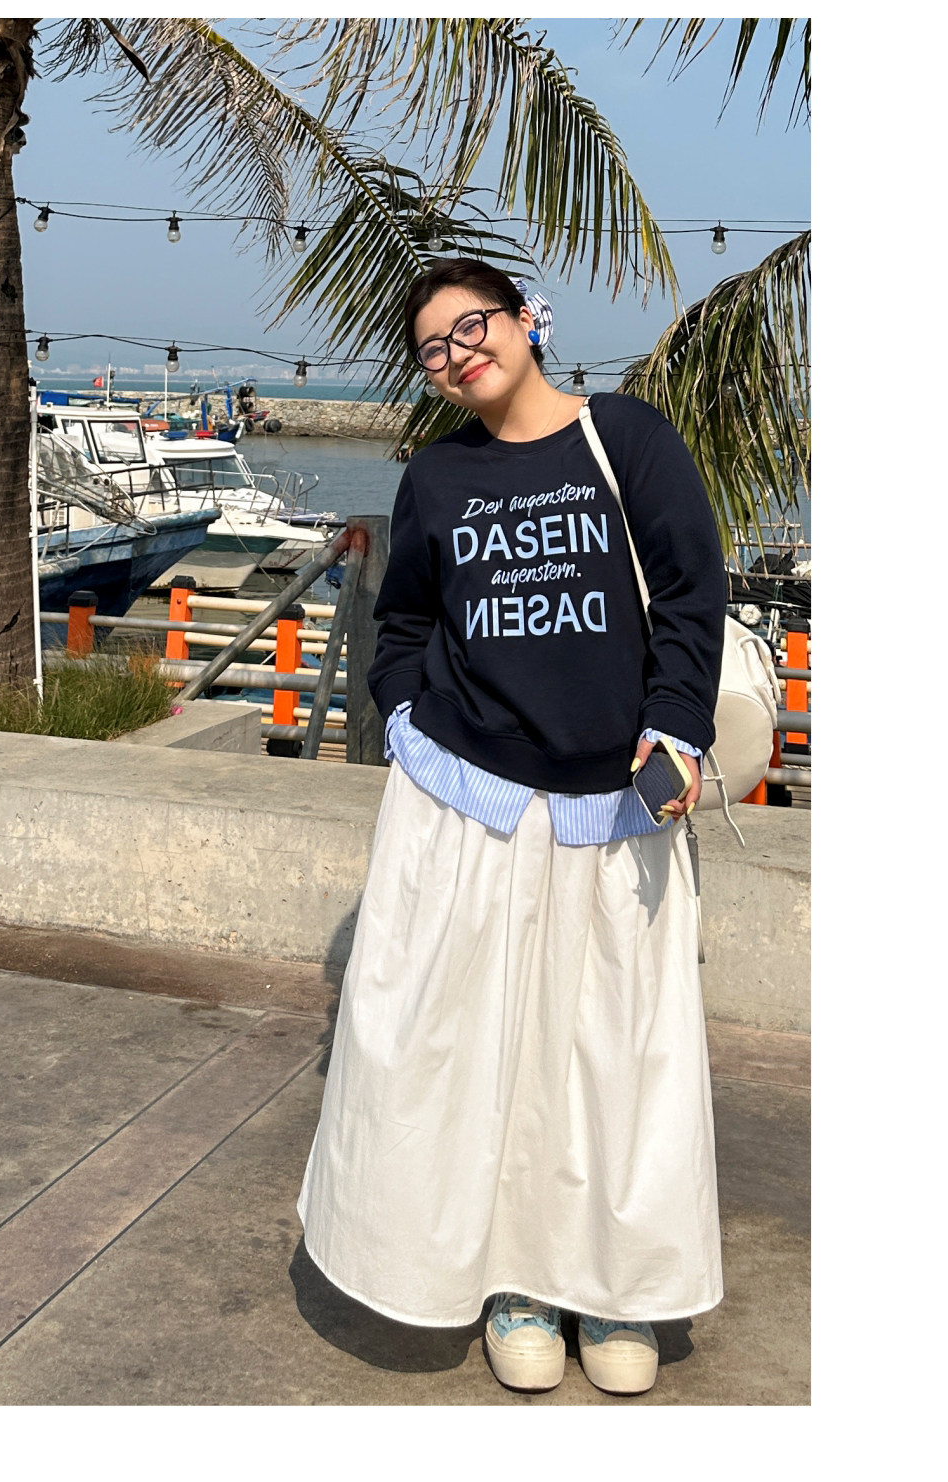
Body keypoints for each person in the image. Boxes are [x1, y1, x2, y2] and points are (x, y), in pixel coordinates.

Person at [296, 257, 727, 1397]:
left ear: (527, 320)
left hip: (616, 805)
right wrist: (406, 724)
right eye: (434, 347)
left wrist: (676, 730)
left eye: (473, 324)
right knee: (480, 1056)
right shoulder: (440, 477)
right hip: (473, 803)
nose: (458, 353)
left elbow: (692, 594)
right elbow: (404, 624)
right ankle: (517, 1283)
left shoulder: (624, 438)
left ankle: (614, 1286)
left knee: (617, 1060)